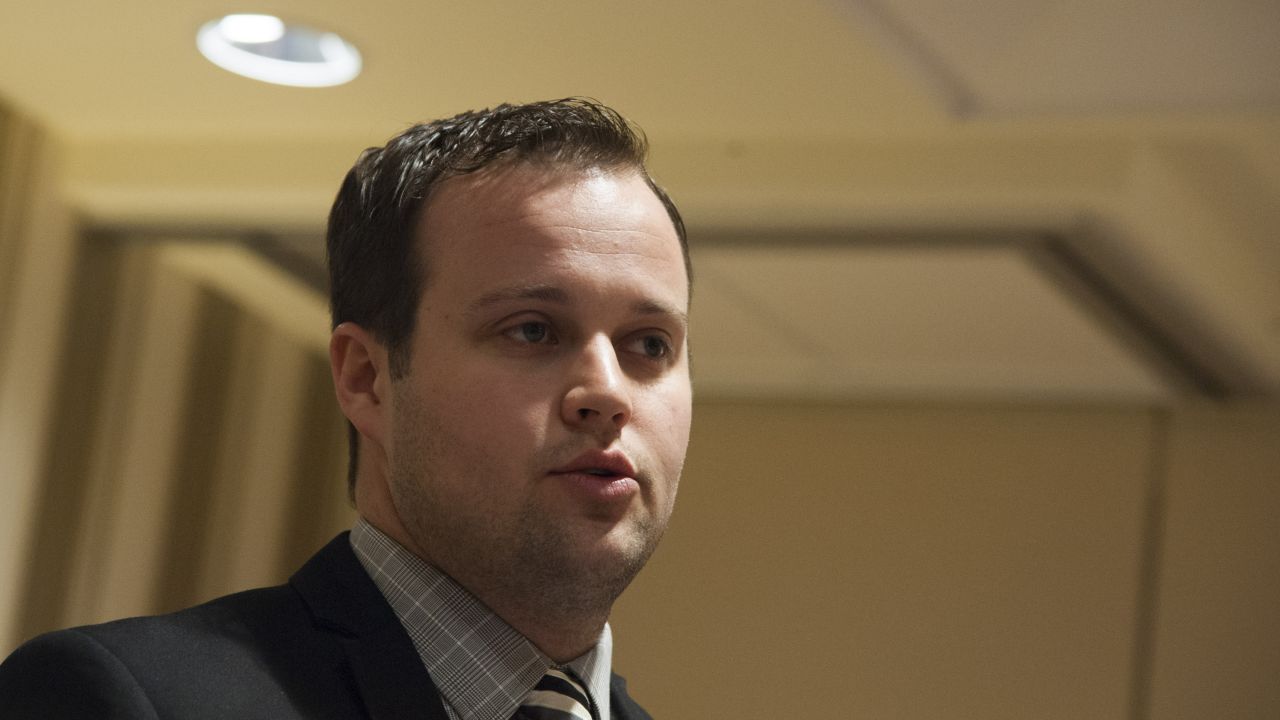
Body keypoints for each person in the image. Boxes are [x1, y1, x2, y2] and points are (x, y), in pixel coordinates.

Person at [0, 98, 692, 719]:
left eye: (650, 344)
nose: (607, 391)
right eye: (532, 330)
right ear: (367, 378)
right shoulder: (116, 698)